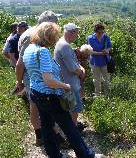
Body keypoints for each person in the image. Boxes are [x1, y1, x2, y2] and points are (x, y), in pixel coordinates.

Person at [23, 22, 97, 158]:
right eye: (54, 37)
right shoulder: (43, 51)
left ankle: (54, 155)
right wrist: (65, 86)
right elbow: (49, 80)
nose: (56, 40)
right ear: (48, 37)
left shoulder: (29, 48)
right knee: (70, 128)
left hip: (36, 93)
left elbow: (33, 73)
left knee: (46, 127)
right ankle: (86, 155)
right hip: (49, 96)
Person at [15, 10, 59, 146]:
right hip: (33, 74)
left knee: (37, 103)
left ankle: (44, 135)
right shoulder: (32, 36)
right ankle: (43, 136)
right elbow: (20, 63)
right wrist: (19, 81)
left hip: (36, 73)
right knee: (36, 104)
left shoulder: (32, 32)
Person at [54, 23, 85, 128]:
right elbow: (72, 69)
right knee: (74, 109)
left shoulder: (60, 43)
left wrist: (79, 67)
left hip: (64, 81)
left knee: (68, 108)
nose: (77, 35)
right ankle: (73, 132)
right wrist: (82, 72)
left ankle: (68, 130)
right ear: (71, 32)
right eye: (76, 33)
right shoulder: (65, 46)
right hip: (70, 83)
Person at [87, 23, 112, 96]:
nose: (101, 34)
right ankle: (98, 95)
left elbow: (110, 47)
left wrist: (107, 50)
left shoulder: (106, 37)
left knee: (106, 79)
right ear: (95, 32)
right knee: (96, 79)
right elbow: (89, 51)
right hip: (94, 62)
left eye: (102, 32)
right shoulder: (90, 38)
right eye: (99, 32)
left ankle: (107, 94)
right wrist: (100, 53)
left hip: (105, 61)